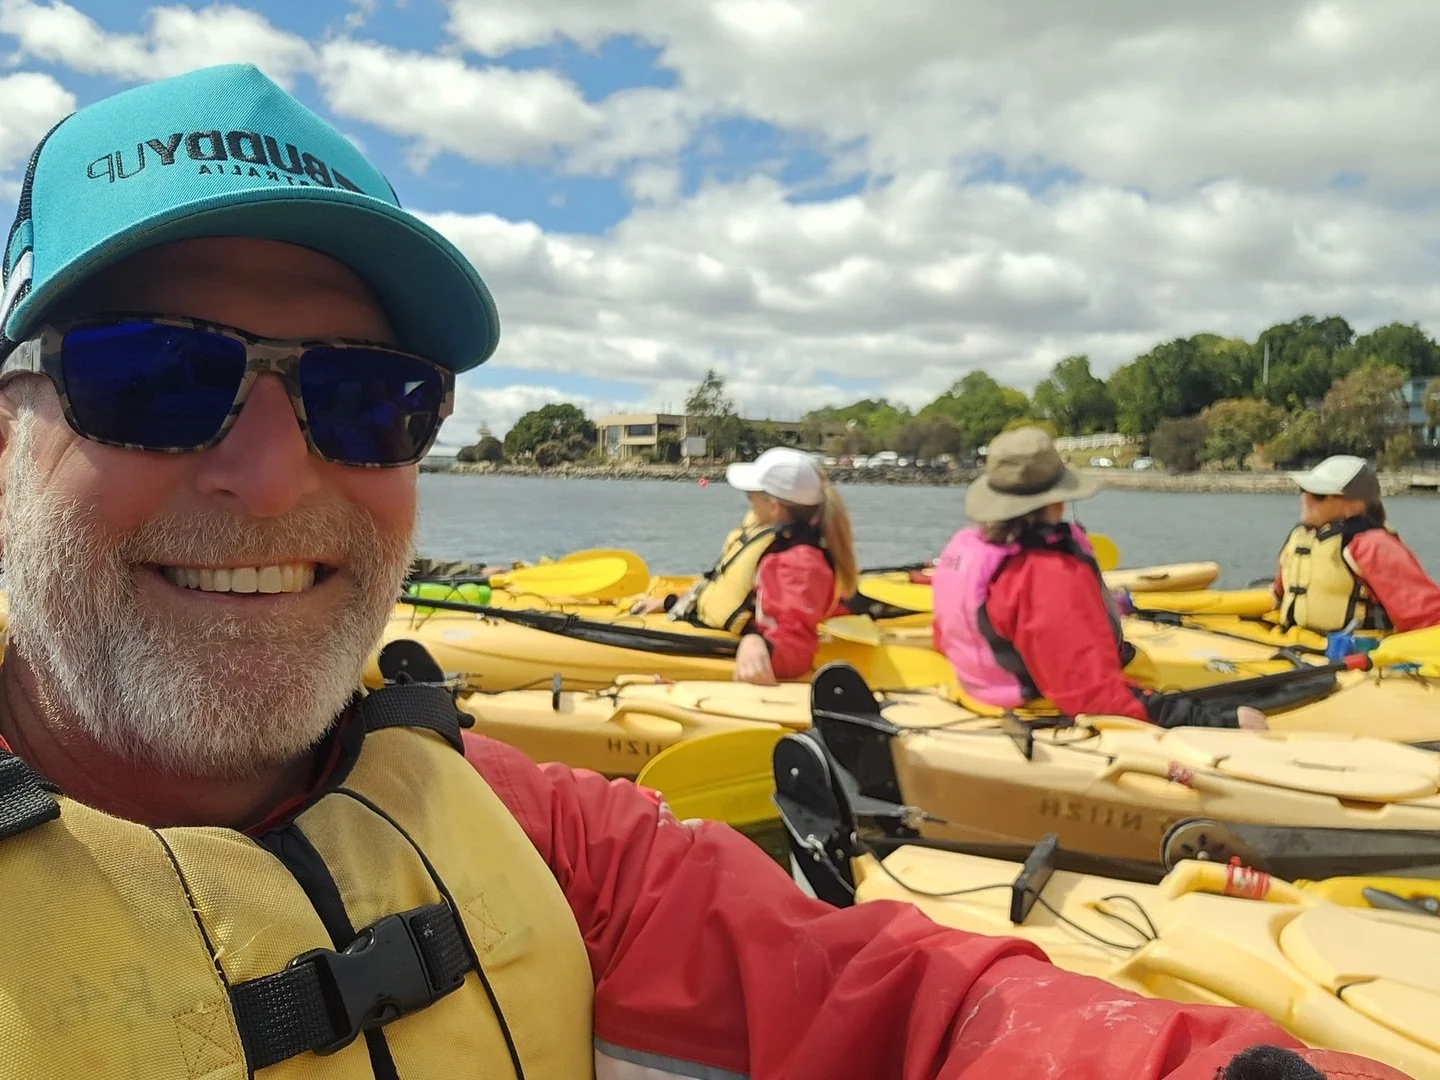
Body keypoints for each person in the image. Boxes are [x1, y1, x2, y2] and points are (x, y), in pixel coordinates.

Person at [0, 64, 1401, 1080]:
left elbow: (918, 1010)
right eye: (156, 379)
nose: (273, 474)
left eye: (371, 400)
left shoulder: (536, 837)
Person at [933, 428, 1268, 730]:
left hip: (981, 698)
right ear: (1057, 500)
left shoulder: (966, 546)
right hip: (1047, 710)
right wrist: (1216, 721)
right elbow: (1091, 696)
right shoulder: (1046, 574)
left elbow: (944, 638)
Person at [632, 446, 858, 685]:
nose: (748, 504)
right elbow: (731, 590)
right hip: (706, 629)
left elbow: (796, 645)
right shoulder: (773, 542)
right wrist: (673, 603)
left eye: (750, 497)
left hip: (737, 652)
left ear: (774, 507)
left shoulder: (798, 564)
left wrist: (757, 643)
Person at [1274, 455, 1440, 634]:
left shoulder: (1372, 545)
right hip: (1297, 646)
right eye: (1303, 490)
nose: (1306, 499)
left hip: (1355, 652)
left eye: (1319, 495)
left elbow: (1428, 616)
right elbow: (1279, 593)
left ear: (1353, 506)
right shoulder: (1299, 538)